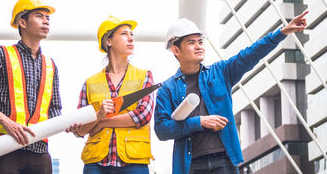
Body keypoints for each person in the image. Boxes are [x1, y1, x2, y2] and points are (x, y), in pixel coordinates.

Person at [154, 11, 308, 174]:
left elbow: (251, 54)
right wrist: (199, 122)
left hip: (225, 160)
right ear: (176, 50)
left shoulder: (221, 72)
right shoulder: (167, 89)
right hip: (190, 165)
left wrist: (282, 32)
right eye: (192, 43)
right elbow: (162, 130)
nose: (199, 46)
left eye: (200, 41)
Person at [0, 0, 62, 174]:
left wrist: (63, 123)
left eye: (48, 17)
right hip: (5, 147)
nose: (46, 21)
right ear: (23, 22)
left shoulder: (51, 65)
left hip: (39, 152)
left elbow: (54, 108)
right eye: (39, 16)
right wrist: (6, 122)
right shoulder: (0, 54)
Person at [67, 16, 154, 174]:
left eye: (132, 34)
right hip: (96, 163)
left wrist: (102, 122)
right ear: (109, 41)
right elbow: (80, 131)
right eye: (124, 34)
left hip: (133, 162)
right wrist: (99, 115)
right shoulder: (90, 83)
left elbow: (143, 115)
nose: (131, 39)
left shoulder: (144, 76)